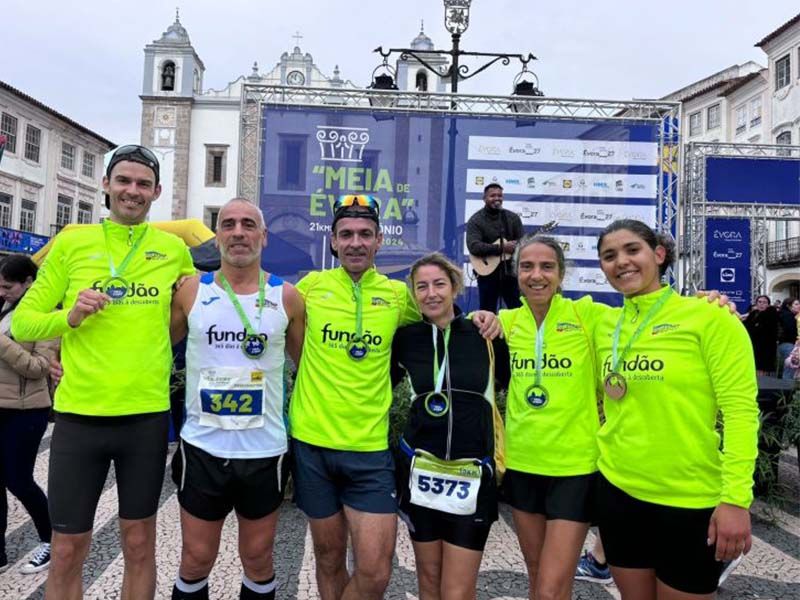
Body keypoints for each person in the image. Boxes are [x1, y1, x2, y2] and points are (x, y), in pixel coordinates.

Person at [289, 194, 498, 600]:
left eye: (365, 234)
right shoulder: (310, 287)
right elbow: (292, 344)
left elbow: (439, 321)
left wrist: (483, 317)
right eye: (346, 234)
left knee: (375, 571)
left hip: (369, 449)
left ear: (379, 240)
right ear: (332, 240)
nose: (355, 242)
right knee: (328, 559)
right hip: (313, 443)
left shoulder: (397, 296)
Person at [11, 145, 196, 600]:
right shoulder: (74, 242)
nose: (132, 191)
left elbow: (189, 312)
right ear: (107, 185)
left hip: (145, 417)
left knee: (138, 544)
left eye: (142, 184)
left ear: (155, 192)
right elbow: (22, 321)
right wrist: (68, 317)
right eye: (124, 181)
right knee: (70, 546)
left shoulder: (173, 250)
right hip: (79, 417)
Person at [593, 219, 759, 599]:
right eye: (609, 256)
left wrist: (735, 498)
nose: (621, 262)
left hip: (690, 500)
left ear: (659, 254)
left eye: (632, 250)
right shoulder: (604, 324)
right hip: (619, 495)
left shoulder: (710, 318)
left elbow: (740, 413)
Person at [168, 198, 305, 600]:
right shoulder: (191, 292)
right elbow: (152, 349)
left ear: (263, 236)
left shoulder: (289, 298)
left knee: (259, 557)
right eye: (228, 224)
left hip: (263, 450)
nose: (239, 232)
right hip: (203, 447)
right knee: (195, 558)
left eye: (248, 225)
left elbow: (309, 367)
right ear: (218, 236)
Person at [390, 253, 509, 600]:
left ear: (455, 287)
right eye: (421, 287)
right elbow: (374, 383)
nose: (431, 293)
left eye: (439, 284)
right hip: (421, 472)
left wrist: (494, 322)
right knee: (428, 582)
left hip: (471, 474)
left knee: (457, 591)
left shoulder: (484, 333)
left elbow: (510, 384)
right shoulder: (407, 338)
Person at [498, 234, 604, 600]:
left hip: (573, 468)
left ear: (561, 274)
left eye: (547, 267)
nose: (536, 275)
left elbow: (643, 318)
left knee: (550, 587)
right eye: (527, 266)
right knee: (538, 574)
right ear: (516, 273)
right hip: (523, 463)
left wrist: (704, 304)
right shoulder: (506, 322)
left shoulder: (586, 314)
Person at [0, 255, 58, 575]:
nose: (2, 291)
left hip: (26, 411)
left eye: (8, 286)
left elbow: (39, 368)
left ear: (28, 284)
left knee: (18, 480)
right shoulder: (3, 309)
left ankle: (51, 539)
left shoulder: (44, 315)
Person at [466, 183, 523, 312]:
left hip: (510, 273)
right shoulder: (476, 220)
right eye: (493, 196)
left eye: (500, 196)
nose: (497, 198)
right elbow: (474, 246)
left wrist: (519, 247)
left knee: (517, 310)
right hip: (487, 274)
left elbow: (521, 242)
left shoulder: (512, 218)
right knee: (487, 311)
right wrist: (501, 248)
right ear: (484, 198)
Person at [743, 294, 779, 375]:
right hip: (753, 345)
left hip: (765, 347)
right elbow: (747, 326)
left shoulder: (771, 313)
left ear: (768, 304)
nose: (761, 304)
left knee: (762, 368)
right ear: (756, 303)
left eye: (764, 302)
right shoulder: (753, 314)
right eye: (759, 302)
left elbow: (765, 329)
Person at [777, 297, 799, 379]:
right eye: (796, 304)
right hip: (789, 344)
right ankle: (787, 390)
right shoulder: (788, 316)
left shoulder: (784, 314)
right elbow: (791, 330)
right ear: (788, 306)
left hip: (785, 344)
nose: (799, 306)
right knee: (790, 369)